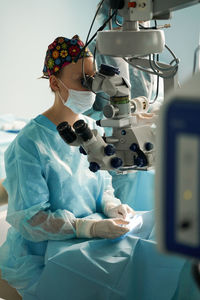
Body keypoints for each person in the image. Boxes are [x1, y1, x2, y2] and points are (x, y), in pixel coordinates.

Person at [0, 35, 135, 298]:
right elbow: (32, 221)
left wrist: (111, 206)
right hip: (42, 253)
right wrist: (88, 228)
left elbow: (102, 186)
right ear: (54, 82)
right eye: (81, 81)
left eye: (93, 78)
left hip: (88, 243)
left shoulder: (92, 128)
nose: (91, 88)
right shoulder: (28, 144)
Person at [84, 0, 163, 211]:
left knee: (145, 213)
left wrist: (153, 114)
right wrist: (120, 120)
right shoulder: (96, 51)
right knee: (117, 208)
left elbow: (154, 96)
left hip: (144, 141)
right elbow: (85, 111)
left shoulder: (147, 47)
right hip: (113, 142)